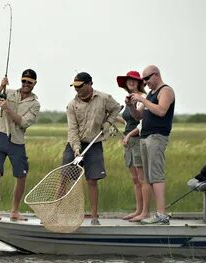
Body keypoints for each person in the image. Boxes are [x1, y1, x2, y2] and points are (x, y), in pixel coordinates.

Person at [64, 72, 121, 225]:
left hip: (94, 144)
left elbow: (116, 109)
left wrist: (108, 123)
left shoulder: (103, 98)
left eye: (80, 86)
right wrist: (76, 150)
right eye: (74, 87)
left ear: (89, 84)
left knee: (92, 180)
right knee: (65, 178)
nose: (77, 90)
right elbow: (72, 130)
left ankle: (94, 217)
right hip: (75, 144)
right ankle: (56, 212)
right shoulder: (72, 105)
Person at [0, 69, 41, 221]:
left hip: (17, 140)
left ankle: (14, 211)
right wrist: (0, 86)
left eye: (29, 82)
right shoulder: (8, 93)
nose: (25, 84)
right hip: (0, 134)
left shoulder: (35, 104)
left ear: (34, 83)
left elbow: (24, 122)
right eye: (23, 81)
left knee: (21, 175)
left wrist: (7, 109)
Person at [128, 65, 175, 225]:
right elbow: (138, 116)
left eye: (147, 79)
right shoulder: (150, 94)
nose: (145, 83)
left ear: (156, 75)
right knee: (148, 178)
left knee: (156, 175)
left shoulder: (165, 91)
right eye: (144, 80)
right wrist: (131, 105)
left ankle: (161, 214)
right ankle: (153, 213)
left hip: (157, 137)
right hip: (145, 137)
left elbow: (162, 110)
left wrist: (142, 99)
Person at [116, 71, 152, 222]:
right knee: (135, 179)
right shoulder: (128, 99)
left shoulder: (142, 99)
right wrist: (110, 117)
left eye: (134, 80)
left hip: (138, 140)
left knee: (142, 178)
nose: (131, 82)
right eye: (129, 80)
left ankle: (145, 212)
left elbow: (141, 121)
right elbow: (128, 122)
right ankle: (138, 210)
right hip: (129, 142)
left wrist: (129, 135)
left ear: (139, 83)